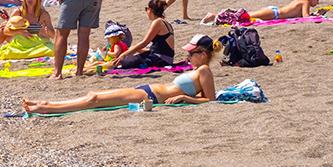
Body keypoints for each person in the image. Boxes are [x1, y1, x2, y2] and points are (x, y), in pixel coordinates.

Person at [24, 34, 219, 115]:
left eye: (191, 53)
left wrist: (185, 97)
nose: (188, 56)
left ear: (202, 54)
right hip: (148, 91)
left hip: (150, 96)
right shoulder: (198, 70)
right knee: (94, 97)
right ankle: (46, 104)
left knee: (95, 99)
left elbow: (210, 99)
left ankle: (45, 108)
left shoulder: (204, 71)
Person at [111, 0, 175, 69]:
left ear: (150, 10)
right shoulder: (166, 23)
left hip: (161, 59)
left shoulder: (157, 22)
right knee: (130, 55)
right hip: (165, 58)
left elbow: (144, 43)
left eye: (146, 9)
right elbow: (161, 47)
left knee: (124, 62)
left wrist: (124, 54)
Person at [203, 0, 322, 23]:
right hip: (274, 14)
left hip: (273, 11)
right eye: (317, 1)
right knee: (243, 17)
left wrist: (316, 14)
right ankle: (214, 16)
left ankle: (216, 16)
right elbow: (306, 17)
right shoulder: (305, 2)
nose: (317, 3)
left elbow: (303, 15)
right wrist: (318, 17)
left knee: (245, 16)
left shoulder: (301, 0)